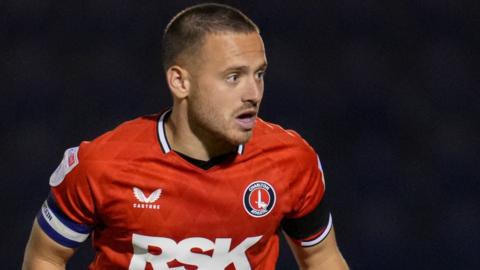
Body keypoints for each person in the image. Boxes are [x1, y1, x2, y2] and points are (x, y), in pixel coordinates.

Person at [22, 3, 349, 270]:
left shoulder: (290, 161)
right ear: (180, 82)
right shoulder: (102, 165)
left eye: (259, 74)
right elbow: (45, 256)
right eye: (233, 77)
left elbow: (321, 256)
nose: (253, 93)